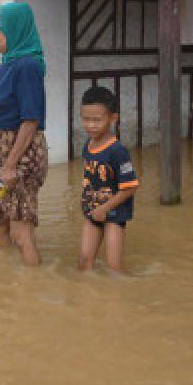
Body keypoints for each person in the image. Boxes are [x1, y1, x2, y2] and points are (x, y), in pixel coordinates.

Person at [0, 2, 48, 266]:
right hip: (6, 167)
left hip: (17, 165)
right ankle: (7, 282)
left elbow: (31, 119)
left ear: (15, 31)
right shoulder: (10, 63)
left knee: (20, 230)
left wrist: (11, 165)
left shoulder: (27, 66)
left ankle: (30, 292)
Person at [77, 85, 139, 274]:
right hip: (93, 212)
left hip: (113, 215)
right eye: (85, 119)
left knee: (114, 268)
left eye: (97, 120)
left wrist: (104, 209)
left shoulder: (117, 151)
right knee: (84, 262)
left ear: (113, 118)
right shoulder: (88, 145)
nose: (90, 125)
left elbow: (130, 188)